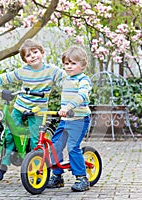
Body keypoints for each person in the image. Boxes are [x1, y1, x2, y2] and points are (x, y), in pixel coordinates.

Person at [0, 38, 65, 182]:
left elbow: (65, 79)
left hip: (38, 110)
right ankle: (2, 166)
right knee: (8, 134)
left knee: (34, 140)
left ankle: (37, 169)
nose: (33, 56)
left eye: (35, 52)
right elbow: (7, 77)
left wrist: (73, 87)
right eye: (28, 55)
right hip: (21, 106)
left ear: (42, 52)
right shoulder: (24, 71)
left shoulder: (51, 71)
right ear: (25, 60)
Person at [46, 46, 92, 192]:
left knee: (73, 147)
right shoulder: (66, 78)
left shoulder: (84, 80)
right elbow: (52, 74)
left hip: (79, 119)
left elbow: (82, 95)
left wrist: (68, 107)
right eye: (66, 63)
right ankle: (57, 177)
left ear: (83, 65)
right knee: (55, 146)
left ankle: (82, 178)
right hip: (66, 120)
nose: (69, 66)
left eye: (73, 63)